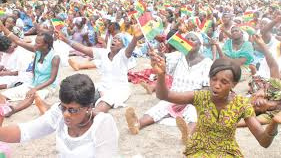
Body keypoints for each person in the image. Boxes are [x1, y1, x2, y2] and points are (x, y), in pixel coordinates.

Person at [150, 53, 281, 157]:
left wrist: (274, 123)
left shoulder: (241, 104)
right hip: (198, 149)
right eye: (214, 79)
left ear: (234, 84)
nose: (217, 85)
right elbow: (164, 95)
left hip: (227, 151)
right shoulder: (200, 96)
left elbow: (263, 142)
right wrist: (161, 75)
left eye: (224, 82)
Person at [0, 74, 119, 158]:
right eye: (63, 107)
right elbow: (26, 131)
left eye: (73, 110)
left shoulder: (102, 125)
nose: (66, 114)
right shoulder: (58, 113)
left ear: (88, 107)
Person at [125, 32, 213, 140]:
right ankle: (137, 124)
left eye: (193, 39)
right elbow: (162, 60)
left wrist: (187, 100)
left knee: (194, 113)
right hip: (173, 96)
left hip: (193, 99)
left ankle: (188, 134)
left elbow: (206, 88)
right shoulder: (178, 56)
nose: (189, 41)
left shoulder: (207, 63)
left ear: (200, 44)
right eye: (187, 39)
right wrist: (157, 53)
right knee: (159, 108)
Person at [56, 25, 143, 113]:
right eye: (114, 38)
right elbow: (83, 48)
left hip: (118, 90)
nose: (115, 40)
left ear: (123, 46)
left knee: (104, 103)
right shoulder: (103, 53)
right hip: (102, 87)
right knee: (78, 90)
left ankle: (90, 115)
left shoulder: (123, 55)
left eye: (119, 40)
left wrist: (135, 38)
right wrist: (65, 40)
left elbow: (130, 48)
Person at [0, 21, 60, 117]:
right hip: (32, 84)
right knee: (3, 95)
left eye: (38, 43)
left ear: (46, 45)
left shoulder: (54, 57)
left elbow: (51, 79)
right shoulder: (37, 50)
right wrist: (3, 28)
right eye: (35, 41)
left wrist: (35, 89)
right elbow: (18, 41)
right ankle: (4, 108)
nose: (35, 44)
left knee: (31, 97)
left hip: (47, 87)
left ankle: (12, 110)